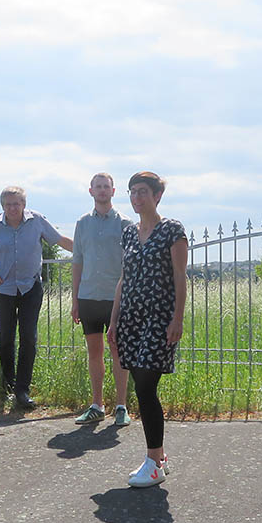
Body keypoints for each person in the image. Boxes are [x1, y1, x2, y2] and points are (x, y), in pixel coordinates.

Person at [108, 172, 187, 487]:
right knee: (142, 382)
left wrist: (177, 318)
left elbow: (180, 277)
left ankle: (153, 462)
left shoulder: (172, 230)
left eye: (142, 191)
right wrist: (114, 320)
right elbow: (123, 279)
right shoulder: (128, 233)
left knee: (144, 383)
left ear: (157, 196)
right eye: (132, 192)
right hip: (131, 318)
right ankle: (160, 456)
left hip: (159, 317)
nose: (136, 197)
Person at [0, 187, 73, 409]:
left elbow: (60, 240)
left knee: (29, 338)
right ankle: (8, 384)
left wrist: (87, 252)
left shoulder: (37, 221)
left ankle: (23, 390)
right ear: (2, 206)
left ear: (24, 204)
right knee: (6, 339)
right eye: (8, 205)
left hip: (30, 287)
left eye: (16, 204)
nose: (12, 208)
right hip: (3, 289)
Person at [71, 173, 135, 426]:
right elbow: (77, 261)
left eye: (105, 187)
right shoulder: (82, 223)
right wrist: (75, 300)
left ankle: (121, 406)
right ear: (90, 191)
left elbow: (131, 263)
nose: (101, 191)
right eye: (97, 187)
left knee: (118, 351)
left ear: (113, 191)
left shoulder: (125, 223)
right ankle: (97, 405)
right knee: (94, 352)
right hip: (88, 297)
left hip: (116, 297)